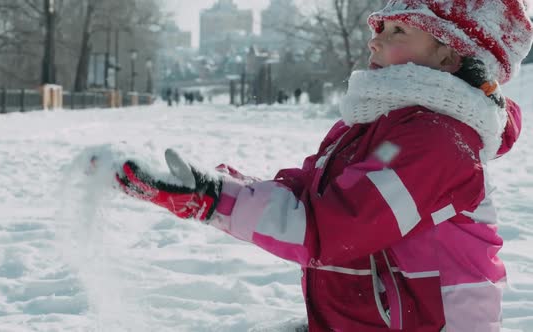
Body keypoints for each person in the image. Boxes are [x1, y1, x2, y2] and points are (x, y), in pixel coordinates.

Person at [112, 1, 533, 331]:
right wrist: (211, 186)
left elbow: (334, 229)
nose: (375, 40)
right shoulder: (380, 125)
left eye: (398, 30)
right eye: (379, 28)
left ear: (448, 57)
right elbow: (312, 195)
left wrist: (214, 202)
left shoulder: (438, 143)